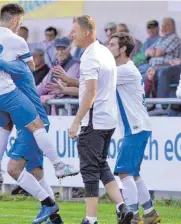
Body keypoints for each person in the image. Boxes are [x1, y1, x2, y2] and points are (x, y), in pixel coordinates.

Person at [0, 3, 79, 183]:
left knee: (5, 125)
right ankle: (59, 164)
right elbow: (31, 67)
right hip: (4, 91)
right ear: (15, 20)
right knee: (37, 125)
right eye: (20, 23)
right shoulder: (16, 40)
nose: (19, 27)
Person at [0, 58, 64, 224]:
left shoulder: (16, 66)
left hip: (32, 127)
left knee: (14, 169)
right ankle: (55, 219)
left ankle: (49, 204)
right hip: (33, 125)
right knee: (37, 175)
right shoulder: (15, 71)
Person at [69, 15, 133, 224]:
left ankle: (91, 218)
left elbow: (90, 92)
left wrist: (77, 121)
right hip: (108, 119)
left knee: (89, 168)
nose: (71, 34)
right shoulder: (105, 51)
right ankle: (122, 206)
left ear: (86, 32)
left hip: (93, 121)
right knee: (100, 164)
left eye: (74, 31)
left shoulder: (90, 56)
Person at [108, 32, 161, 224]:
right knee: (133, 174)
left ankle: (131, 215)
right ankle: (150, 213)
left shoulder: (124, 71)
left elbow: (97, 84)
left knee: (124, 172)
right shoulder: (126, 69)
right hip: (139, 127)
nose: (109, 48)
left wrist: (68, 85)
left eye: (112, 45)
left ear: (123, 49)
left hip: (136, 128)